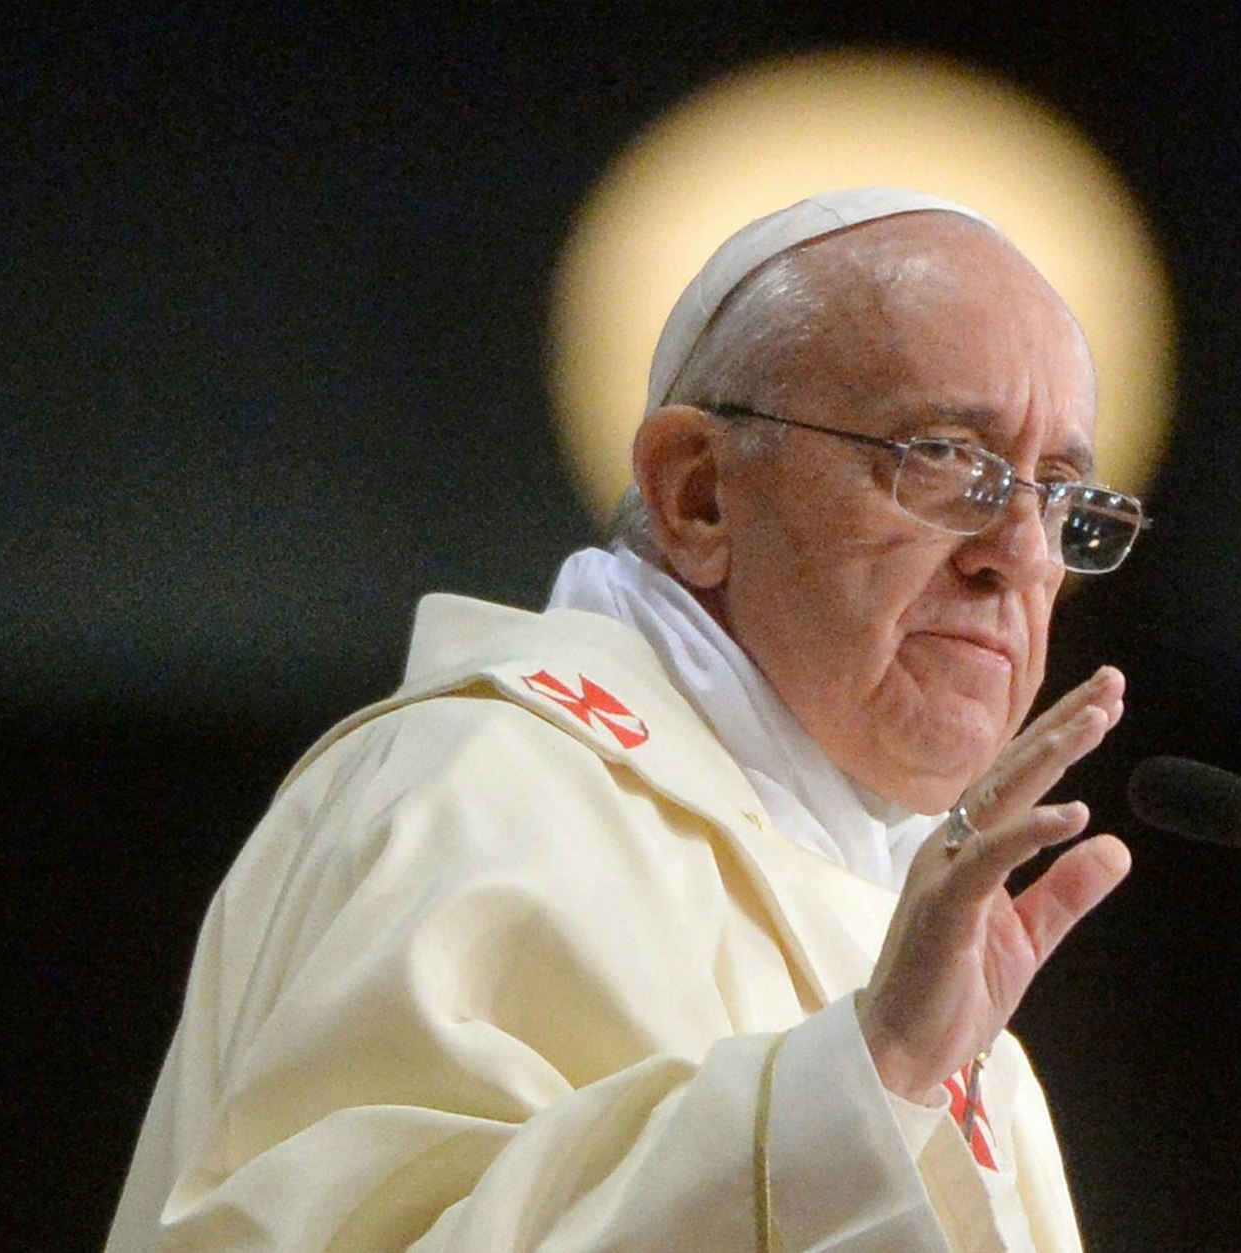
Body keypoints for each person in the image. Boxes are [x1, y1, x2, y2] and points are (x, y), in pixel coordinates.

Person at [108, 187, 1152, 1250]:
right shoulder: (484, 788)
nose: (1019, 555)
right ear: (696, 494)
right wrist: (854, 1087)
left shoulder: (933, 963)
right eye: (942, 461)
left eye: (1060, 494)